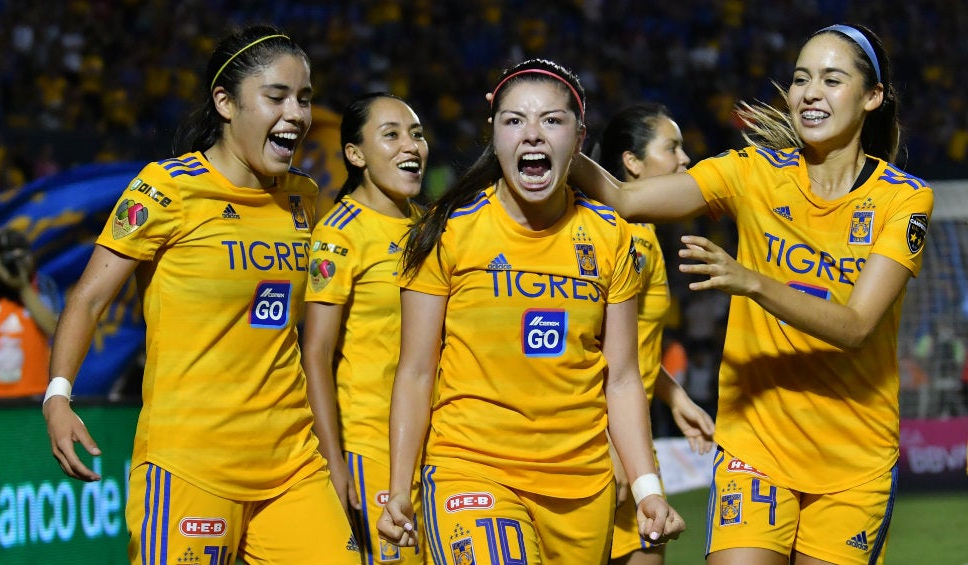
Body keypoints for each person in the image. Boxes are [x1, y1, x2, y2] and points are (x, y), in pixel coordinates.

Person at [571, 24, 933, 565]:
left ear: (872, 97)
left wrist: (754, 282)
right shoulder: (754, 172)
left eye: (832, 80)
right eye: (801, 79)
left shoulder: (903, 200)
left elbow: (857, 326)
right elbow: (625, 198)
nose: (810, 92)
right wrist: (543, 130)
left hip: (853, 460)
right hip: (755, 444)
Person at [43, 25, 360, 564]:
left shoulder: (303, 200)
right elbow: (89, 299)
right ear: (226, 103)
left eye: (305, 99)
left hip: (292, 463)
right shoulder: (166, 188)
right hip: (191, 464)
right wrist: (57, 395)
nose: (299, 115)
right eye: (277, 96)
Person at [377, 59, 684, 565]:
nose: (533, 135)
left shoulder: (612, 238)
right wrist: (398, 486)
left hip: (582, 490)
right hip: (472, 470)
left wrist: (648, 488)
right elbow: (414, 371)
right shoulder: (448, 232)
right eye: (514, 120)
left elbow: (624, 379)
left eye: (552, 120)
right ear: (494, 134)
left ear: (579, 138)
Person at [303, 92, 431, 564]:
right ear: (355, 155)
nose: (411, 146)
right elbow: (315, 353)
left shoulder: (431, 228)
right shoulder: (338, 235)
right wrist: (334, 461)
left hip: (439, 446)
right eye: (392, 135)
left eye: (416, 134)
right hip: (370, 447)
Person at [595, 103, 716, 565]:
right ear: (632, 162)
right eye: (672, 148)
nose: (685, 160)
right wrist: (609, 446)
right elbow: (590, 352)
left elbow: (631, 349)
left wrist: (675, 397)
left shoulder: (644, 233)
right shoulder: (613, 234)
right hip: (604, 442)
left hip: (632, 437)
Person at [0, 228, 60, 398]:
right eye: (8, 259)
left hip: (32, 392)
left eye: (20, 258)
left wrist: (23, 287)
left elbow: (54, 329)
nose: (14, 264)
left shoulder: (42, 285)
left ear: (30, 258)